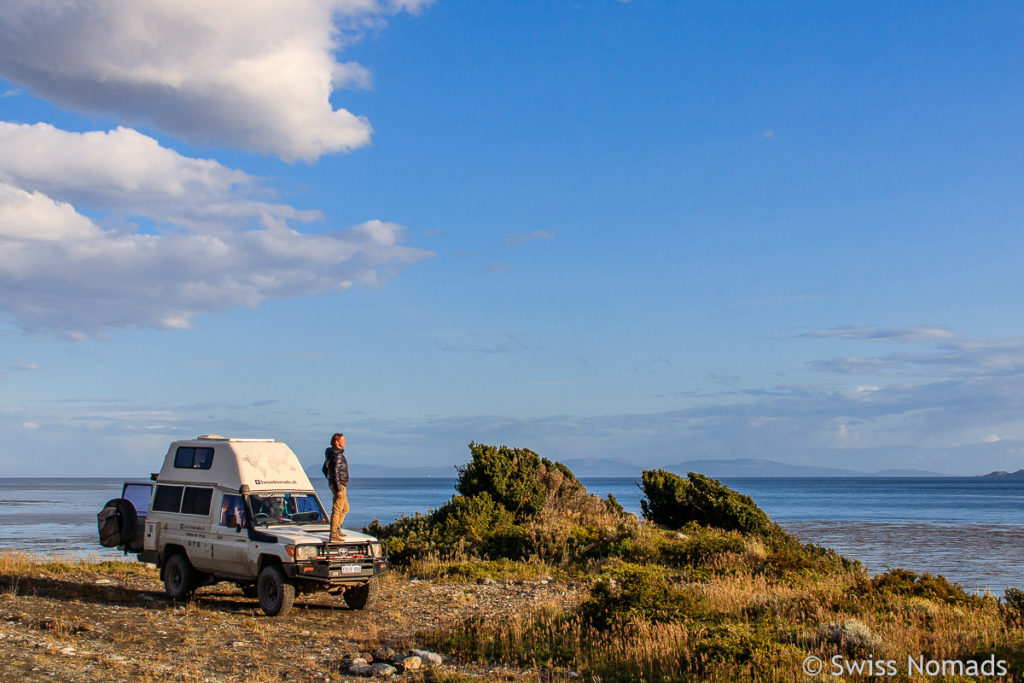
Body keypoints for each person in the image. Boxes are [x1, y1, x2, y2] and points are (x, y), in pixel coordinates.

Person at [322, 432, 350, 542]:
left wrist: (330, 481)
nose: (345, 442)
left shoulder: (333, 453)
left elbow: (325, 469)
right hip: (340, 484)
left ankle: (337, 528)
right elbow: (334, 471)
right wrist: (337, 488)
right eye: (343, 440)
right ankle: (333, 533)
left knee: (345, 508)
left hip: (339, 483)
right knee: (338, 508)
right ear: (337, 442)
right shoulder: (337, 454)